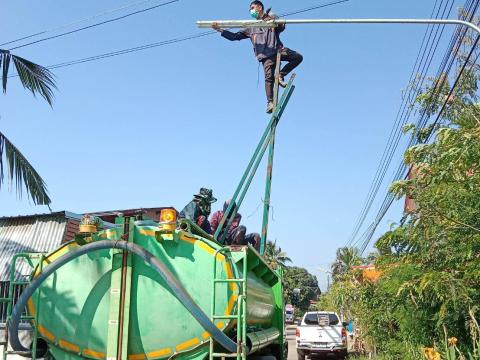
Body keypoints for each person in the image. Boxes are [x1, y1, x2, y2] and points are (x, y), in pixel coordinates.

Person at [212, 0, 303, 114]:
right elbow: (235, 36)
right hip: (265, 56)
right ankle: (270, 102)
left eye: (252, 8)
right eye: (250, 9)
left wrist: (273, 20)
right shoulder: (251, 27)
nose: (251, 11)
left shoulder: (270, 19)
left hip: (277, 50)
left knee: (298, 57)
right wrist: (219, 30)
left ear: (259, 7)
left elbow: (281, 26)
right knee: (269, 78)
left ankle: (281, 74)